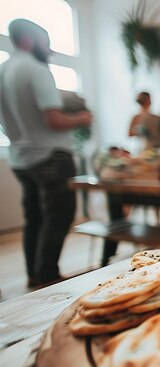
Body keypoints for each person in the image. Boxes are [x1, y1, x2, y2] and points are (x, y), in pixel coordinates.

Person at [0, 19, 92, 287]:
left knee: (34, 218)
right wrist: (82, 118)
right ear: (29, 40)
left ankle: (33, 274)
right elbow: (54, 120)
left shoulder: (3, 70)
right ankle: (48, 277)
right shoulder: (36, 69)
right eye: (45, 41)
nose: (49, 48)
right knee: (58, 218)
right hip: (50, 156)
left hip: (20, 157)